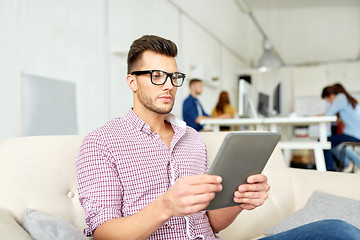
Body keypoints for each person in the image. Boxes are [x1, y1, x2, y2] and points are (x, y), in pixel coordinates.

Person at [76, 35, 360, 240]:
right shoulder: (102, 143)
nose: (169, 86)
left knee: (337, 230)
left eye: (174, 77)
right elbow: (104, 233)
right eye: (156, 76)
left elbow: (212, 224)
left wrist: (240, 199)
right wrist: (165, 205)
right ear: (132, 82)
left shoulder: (193, 140)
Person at [321, 83, 360, 171]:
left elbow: (327, 115)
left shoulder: (340, 97)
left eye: (327, 100)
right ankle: (346, 164)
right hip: (355, 133)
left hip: (354, 134)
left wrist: (315, 116)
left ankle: (330, 170)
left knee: (323, 141)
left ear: (331, 95)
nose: (329, 103)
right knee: (332, 144)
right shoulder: (350, 97)